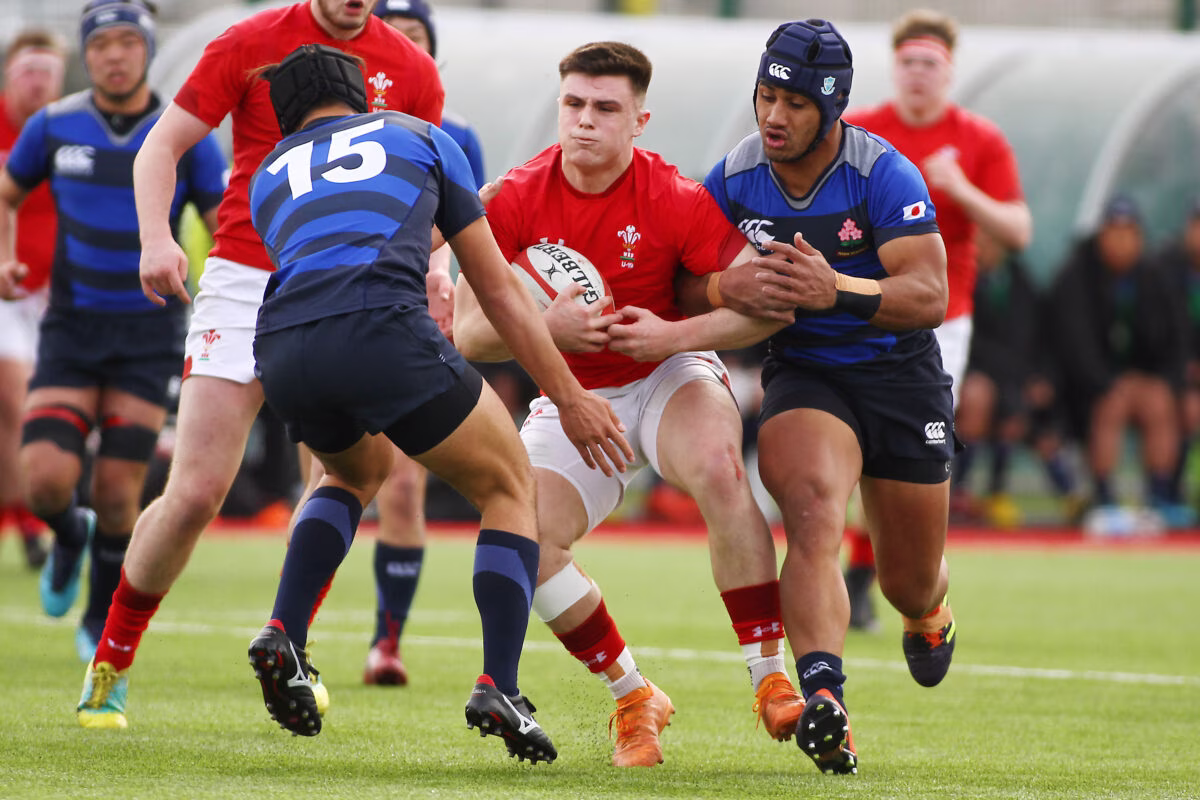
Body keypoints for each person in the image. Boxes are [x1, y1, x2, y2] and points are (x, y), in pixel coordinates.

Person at [244, 44, 630, 759]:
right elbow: (500, 292)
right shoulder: (422, 136)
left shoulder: (269, 174)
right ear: (361, 96)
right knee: (510, 484)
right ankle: (502, 685)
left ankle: (285, 634)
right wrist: (569, 396)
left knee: (350, 474)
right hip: (381, 328)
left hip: (283, 345)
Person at [75, 0, 444, 730]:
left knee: (340, 477)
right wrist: (157, 238)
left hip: (349, 283)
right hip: (245, 277)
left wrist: (433, 269)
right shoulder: (248, 41)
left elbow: (425, 186)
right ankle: (111, 660)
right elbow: (160, 148)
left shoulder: (413, 69)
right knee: (196, 492)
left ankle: (290, 646)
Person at [607, 19, 958, 775]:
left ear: (831, 110)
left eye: (794, 103)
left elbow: (930, 294)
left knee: (907, 577)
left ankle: (928, 610)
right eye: (766, 96)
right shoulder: (733, 179)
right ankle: (826, 697)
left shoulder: (881, 173)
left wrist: (839, 289)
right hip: (807, 374)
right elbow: (677, 277)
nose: (773, 115)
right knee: (809, 514)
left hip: (899, 375)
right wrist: (721, 285)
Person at [453, 41, 805, 768]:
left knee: (718, 468)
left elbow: (768, 307)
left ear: (639, 120)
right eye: (573, 105)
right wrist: (547, 331)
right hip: (572, 393)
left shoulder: (674, 197)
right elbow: (465, 333)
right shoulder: (514, 196)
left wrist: (672, 335)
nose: (585, 121)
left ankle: (770, 676)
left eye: (605, 108)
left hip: (667, 372)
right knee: (530, 539)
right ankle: (633, 695)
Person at [0, 0, 224, 664]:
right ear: (87, 54)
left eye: (129, 42)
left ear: (148, 50)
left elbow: (223, 221)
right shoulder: (54, 126)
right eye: (103, 44)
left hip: (148, 330)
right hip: (71, 327)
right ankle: (68, 534)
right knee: (43, 479)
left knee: (119, 490)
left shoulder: (185, 134)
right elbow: (6, 193)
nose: (115, 55)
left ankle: (99, 615)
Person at [840, 8, 1031, 628]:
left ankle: (881, 576)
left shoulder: (979, 140)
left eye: (931, 63)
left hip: (942, 323)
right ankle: (865, 574)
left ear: (949, 73)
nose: (918, 73)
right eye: (909, 62)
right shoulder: (862, 130)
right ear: (895, 69)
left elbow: (1019, 230)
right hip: (862, 312)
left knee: (904, 452)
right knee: (856, 446)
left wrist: (961, 187)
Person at [324, 0, 492, 688]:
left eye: (412, 39)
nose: (396, 53)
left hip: (411, 314)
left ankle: (384, 644)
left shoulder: (455, 137)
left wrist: (435, 280)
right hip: (335, 317)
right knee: (331, 477)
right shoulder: (334, 140)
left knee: (401, 485)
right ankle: (291, 629)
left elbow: (465, 225)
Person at [1047, 195, 1189, 524]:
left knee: (1158, 401)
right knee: (1111, 403)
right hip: (1088, 389)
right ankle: (1104, 497)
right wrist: (1105, 382)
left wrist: (1165, 381)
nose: (1122, 241)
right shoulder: (1077, 275)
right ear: (1101, 235)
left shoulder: (1155, 277)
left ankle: (1160, 495)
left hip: (1142, 381)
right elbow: (1074, 345)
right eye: (1114, 231)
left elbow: (1173, 339)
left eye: (1130, 232)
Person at [0, 29, 66, 570]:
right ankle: (35, 523)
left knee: (23, 417)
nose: (39, 81)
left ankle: (26, 521)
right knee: (18, 404)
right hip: (4, 291)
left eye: (48, 69)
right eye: (29, 70)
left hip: (55, 295)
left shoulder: (69, 131)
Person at [1156, 198, 1200, 508]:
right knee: (1186, 409)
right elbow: (1163, 331)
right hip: (1171, 373)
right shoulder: (1165, 268)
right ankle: (1166, 492)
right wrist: (1184, 372)